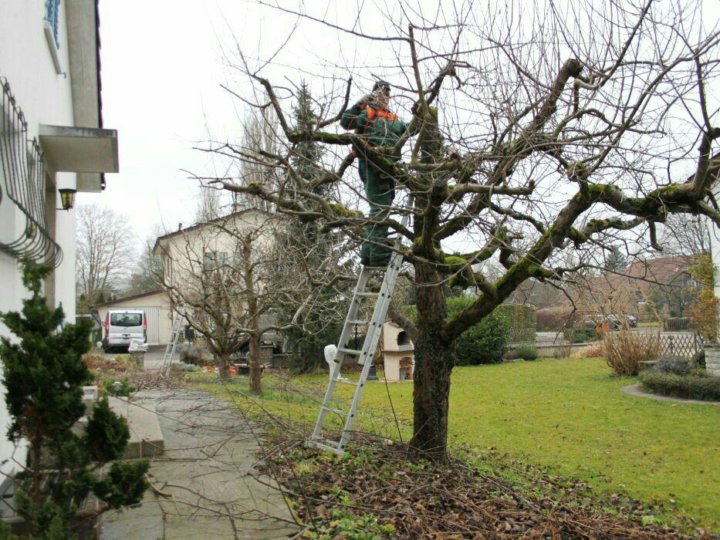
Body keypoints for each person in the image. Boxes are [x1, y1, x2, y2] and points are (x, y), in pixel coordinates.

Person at [340, 80, 408, 266]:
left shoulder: (392, 118)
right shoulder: (368, 112)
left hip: (389, 166)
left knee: (380, 207)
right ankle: (378, 254)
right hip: (372, 165)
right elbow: (345, 122)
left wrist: (422, 117)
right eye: (381, 94)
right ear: (374, 95)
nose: (385, 98)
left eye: (387, 95)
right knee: (380, 208)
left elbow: (407, 129)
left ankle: (368, 253)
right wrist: (361, 103)